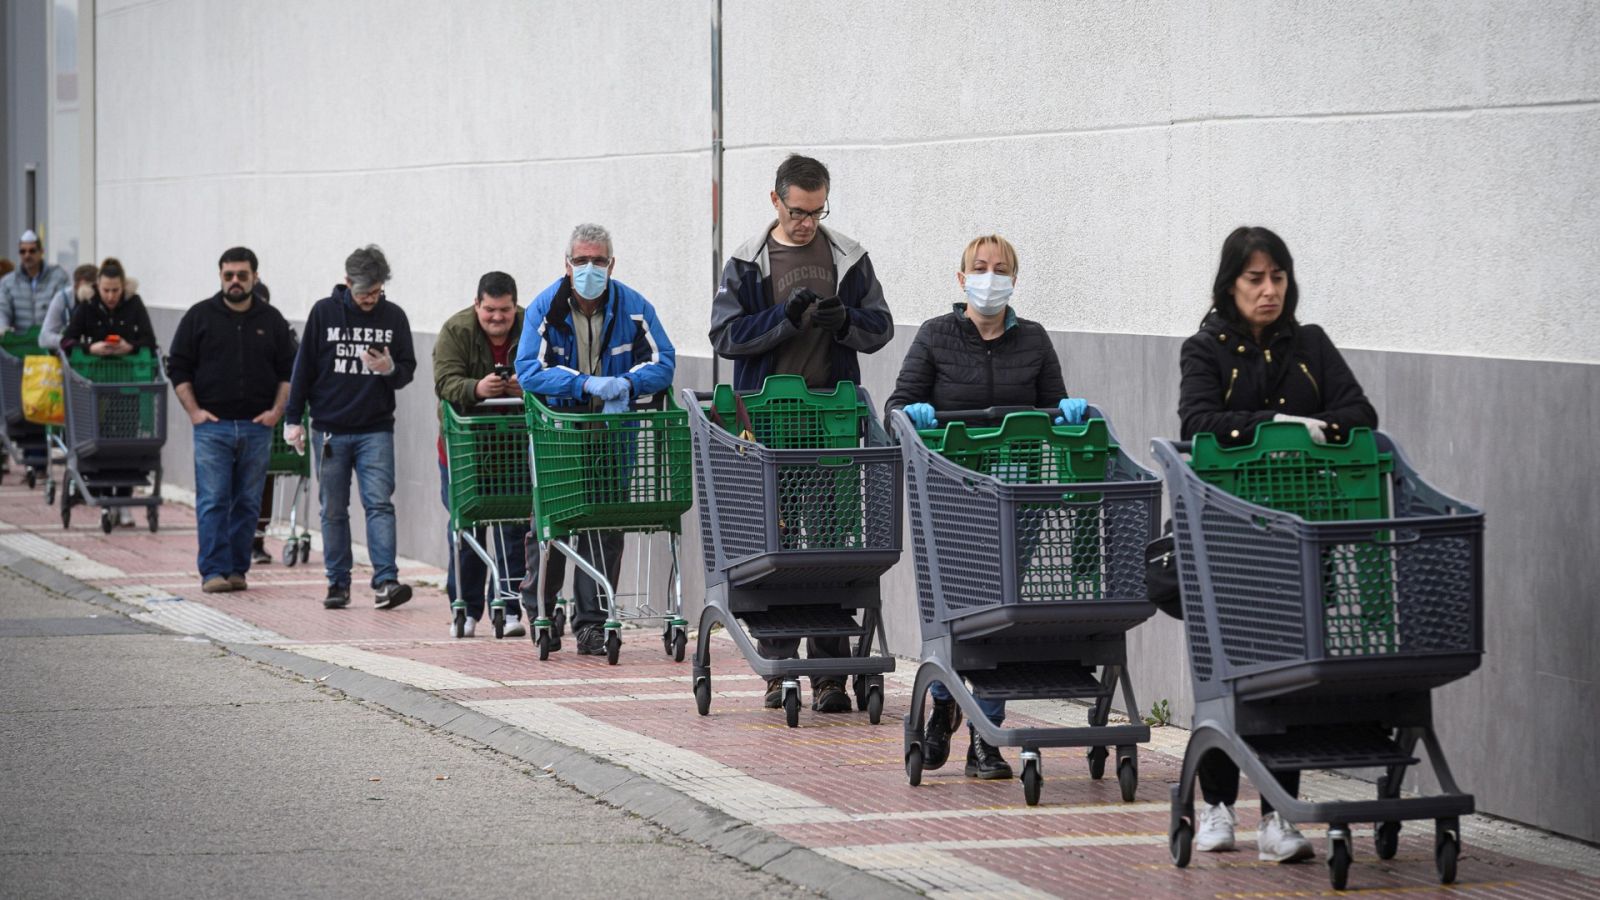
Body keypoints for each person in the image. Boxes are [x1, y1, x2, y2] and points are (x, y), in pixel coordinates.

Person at [1177, 225, 1378, 863]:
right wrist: (1275, 426)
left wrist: (1321, 429)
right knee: (1230, 676)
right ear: (1230, 284)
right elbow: (1197, 422)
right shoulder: (1203, 348)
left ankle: (1277, 817)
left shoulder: (1310, 345)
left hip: (1303, 533)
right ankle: (1215, 807)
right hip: (1230, 537)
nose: (1269, 291)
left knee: (1287, 680)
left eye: (1278, 278)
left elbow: (1359, 414)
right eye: (1254, 279)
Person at [885, 233, 1089, 779]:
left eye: (1001, 269)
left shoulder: (1035, 341)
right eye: (980, 267)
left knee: (999, 619)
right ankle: (949, 702)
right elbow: (895, 410)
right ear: (961, 278)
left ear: (1014, 280)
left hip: (1014, 499)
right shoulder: (935, 336)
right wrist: (914, 418)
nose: (990, 277)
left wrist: (1068, 416)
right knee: (959, 616)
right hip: (949, 498)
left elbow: (1055, 413)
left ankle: (983, 738)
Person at [707, 153, 894, 713]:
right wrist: (783, 319)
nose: (806, 223)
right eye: (797, 212)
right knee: (777, 544)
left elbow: (880, 326)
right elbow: (725, 336)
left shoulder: (849, 256)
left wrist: (848, 324)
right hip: (767, 424)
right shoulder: (746, 261)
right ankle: (778, 664)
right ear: (775, 201)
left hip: (831, 420)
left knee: (832, 544)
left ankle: (832, 673)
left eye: (816, 212)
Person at [516, 223, 676, 656]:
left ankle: (591, 621)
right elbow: (528, 369)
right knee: (551, 525)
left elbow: (664, 362)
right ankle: (541, 611)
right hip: (560, 435)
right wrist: (585, 385)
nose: (590, 268)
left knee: (604, 525)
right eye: (582, 260)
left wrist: (624, 383)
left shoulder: (634, 307)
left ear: (612, 264)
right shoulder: (545, 309)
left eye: (599, 260)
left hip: (613, 432)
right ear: (566, 264)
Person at [283, 245, 417, 612]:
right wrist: (293, 419)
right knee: (333, 510)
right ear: (347, 284)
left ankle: (386, 581)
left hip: (375, 428)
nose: (370, 299)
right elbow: (303, 370)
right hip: (328, 430)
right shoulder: (324, 314)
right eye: (363, 293)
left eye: (376, 292)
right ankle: (337, 583)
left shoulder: (394, 317)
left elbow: (407, 369)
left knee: (379, 504)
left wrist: (389, 369)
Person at [165, 247, 295, 593]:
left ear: (255, 276)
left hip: (257, 428)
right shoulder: (199, 317)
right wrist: (194, 412)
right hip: (212, 428)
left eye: (242, 275)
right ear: (220, 276)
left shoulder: (271, 320)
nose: (235, 281)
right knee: (213, 500)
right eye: (228, 275)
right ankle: (213, 572)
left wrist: (276, 412)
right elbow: (177, 366)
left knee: (248, 502)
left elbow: (288, 369)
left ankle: (238, 570)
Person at [433, 270, 529, 638]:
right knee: (467, 526)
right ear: (477, 305)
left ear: (514, 306)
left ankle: (507, 605)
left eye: (504, 310)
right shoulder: (456, 330)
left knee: (515, 527)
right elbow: (444, 382)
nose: (497, 318)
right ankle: (467, 608)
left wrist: (525, 384)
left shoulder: (530, 327)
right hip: (465, 450)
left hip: (513, 447)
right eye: (489, 310)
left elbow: (548, 370)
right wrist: (478, 387)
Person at [0, 230, 69, 335]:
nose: (27, 255)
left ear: (41, 252)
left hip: (50, 342)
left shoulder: (58, 277)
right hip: (18, 343)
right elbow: (2, 310)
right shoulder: (8, 282)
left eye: (32, 251)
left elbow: (65, 308)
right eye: (23, 251)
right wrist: (3, 328)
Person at [40, 264, 99, 351]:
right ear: (75, 286)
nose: (89, 293)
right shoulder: (62, 298)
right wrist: (65, 342)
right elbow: (44, 338)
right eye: (85, 288)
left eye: (94, 289)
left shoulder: (104, 298)